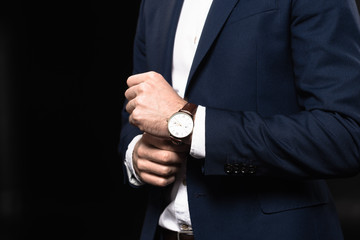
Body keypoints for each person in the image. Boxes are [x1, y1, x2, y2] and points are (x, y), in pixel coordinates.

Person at [119, 0, 360, 239]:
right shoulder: (153, 4)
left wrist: (189, 125)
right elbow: (139, 106)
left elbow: (345, 134)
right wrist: (136, 155)